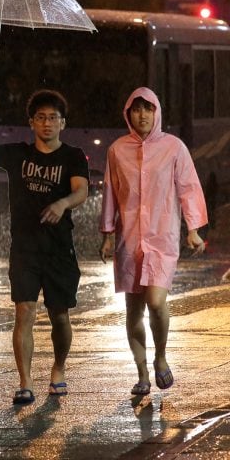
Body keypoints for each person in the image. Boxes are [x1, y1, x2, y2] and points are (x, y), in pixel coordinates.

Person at [0, 89, 89, 405]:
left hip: (59, 249)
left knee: (59, 316)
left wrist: (63, 203)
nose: (47, 124)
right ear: (31, 122)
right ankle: (25, 382)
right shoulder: (17, 153)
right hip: (24, 249)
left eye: (53, 118)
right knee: (24, 311)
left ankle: (58, 368)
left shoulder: (73, 156)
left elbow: (81, 191)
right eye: (41, 118)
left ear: (62, 123)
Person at [99, 87, 207, 396]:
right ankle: (142, 373)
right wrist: (107, 233)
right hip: (128, 240)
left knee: (156, 301)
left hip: (162, 238)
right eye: (136, 109)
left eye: (148, 109)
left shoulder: (173, 147)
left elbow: (188, 187)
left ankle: (160, 356)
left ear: (157, 112)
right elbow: (110, 192)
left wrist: (193, 228)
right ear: (128, 113)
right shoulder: (117, 150)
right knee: (133, 312)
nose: (142, 115)